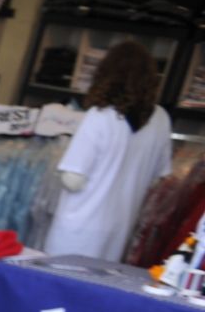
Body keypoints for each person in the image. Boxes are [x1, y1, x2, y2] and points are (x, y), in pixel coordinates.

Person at [45, 39, 174, 263]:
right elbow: (158, 178)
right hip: (119, 230)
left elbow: (73, 178)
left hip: (79, 228)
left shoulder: (100, 116)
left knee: (59, 291)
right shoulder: (161, 119)